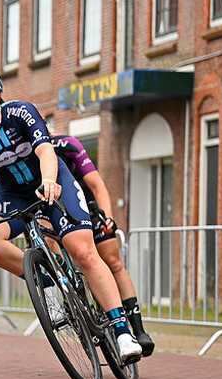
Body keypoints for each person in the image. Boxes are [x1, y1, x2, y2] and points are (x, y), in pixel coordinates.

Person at [0, 66, 141, 363]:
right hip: (12, 196)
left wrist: (50, 180)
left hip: (53, 183)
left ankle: (122, 331)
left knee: (85, 253)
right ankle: (44, 280)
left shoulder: (22, 112)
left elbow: (45, 152)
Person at [51, 134, 155, 356]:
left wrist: (107, 217)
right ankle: (73, 298)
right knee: (55, 248)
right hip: (55, 213)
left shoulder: (67, 144)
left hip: (87, 206)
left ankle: (138, 329)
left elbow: (97, 185)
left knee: (113, 262)